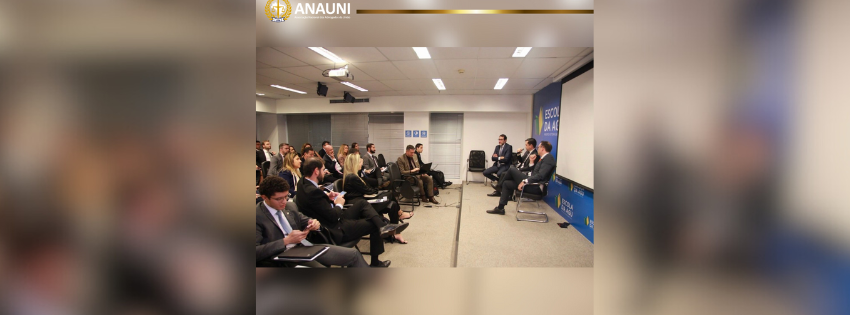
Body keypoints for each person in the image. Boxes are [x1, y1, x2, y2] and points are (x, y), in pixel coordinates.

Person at [296, 158, 406, 267]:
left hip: (330, 218)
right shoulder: (313, 192)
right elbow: (333, 216)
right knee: (374, 224)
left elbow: (315, 198)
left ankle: (383, 227)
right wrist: (339, 203)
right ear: (316, 171)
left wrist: (326, 195)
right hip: (334, 228)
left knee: (362, 203)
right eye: (323, 170)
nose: (325, 172)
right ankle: (376, 261)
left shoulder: (303, 182)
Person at [256, 176, 369, 267]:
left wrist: (314, 223)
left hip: (303, 248)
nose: (284, 201)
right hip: (280, 258)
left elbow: (305, 220)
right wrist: (286, 241)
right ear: (264, 197)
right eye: (278, 199)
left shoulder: (289, 207)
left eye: (286, 197)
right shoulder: (257, 216)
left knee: (353, 255)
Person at [342, 154, 411, 243]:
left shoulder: (354, 176)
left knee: (393, 204)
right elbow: (369, 190)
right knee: (389, 194)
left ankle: (396, 233)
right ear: (354, 164)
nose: (361, 165)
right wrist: (376, 189)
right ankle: (399, 215)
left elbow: (367, 188)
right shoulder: (352, 177)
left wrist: (374, 189)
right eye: (359, 162)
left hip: (364, 200)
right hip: (361, 205)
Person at [488, 141, 556, 215]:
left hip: (535, 187)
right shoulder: (544, 158)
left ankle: (499, 186)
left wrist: (525, 181)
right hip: (532, 182)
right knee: (506, 183)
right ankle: (500, 208)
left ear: (543, 148)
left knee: (512, 168)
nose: (538, 148)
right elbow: (534, 171)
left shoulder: (548, 159)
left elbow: (540, 176)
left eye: (538, 147)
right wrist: (532, 161)